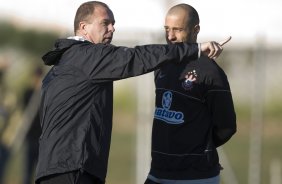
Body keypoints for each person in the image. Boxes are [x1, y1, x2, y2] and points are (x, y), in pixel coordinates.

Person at [35, 1, 229, 184]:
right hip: (72, 170)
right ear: (84, 27)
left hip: (53, 168)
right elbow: (137, 58)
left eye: (113, 24)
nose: (112, 29)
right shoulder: (90, 57)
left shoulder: (65, 61)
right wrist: (194, 49)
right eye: (105, 23)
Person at [145, 4, 236, 184]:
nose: (170, 36)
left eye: (177, 30)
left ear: (196, 30)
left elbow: (227, 126)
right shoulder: (163, 63)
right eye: (167, 29)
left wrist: (202, 148)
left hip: (195, 176)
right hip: (158, 171)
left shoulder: (210, 72)